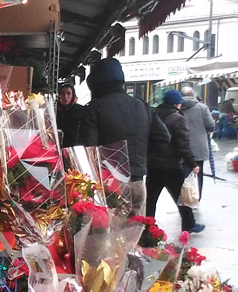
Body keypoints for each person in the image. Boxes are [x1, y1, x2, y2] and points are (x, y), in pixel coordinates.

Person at [79, 57, 170, 216]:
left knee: (111, 238)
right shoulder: (141, 105)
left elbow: (89, 149)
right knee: (137, 236)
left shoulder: (94, 109)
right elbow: (163, 137)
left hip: (110, 185)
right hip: (138, 183)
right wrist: (141, 155)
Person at [146, 90, 203, 233]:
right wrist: (193, 164)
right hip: (171, 165)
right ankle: (189, 224)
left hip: (152, 165)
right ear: (177, 104)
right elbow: (183, 144)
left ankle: (147, 227)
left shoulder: (153, 115)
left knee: (150, 200)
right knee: (182, 197)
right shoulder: (177, 118)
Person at [180, 87, 215, 198]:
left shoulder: (178, 108)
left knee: (183, 172)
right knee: (198, 172)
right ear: (193, 95)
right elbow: (211, 125)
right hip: (199, 146)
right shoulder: (203, 108)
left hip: (182, 145)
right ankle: (196, 197)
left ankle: (184, 197)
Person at [55, 83, 85, 147]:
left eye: (68, 93)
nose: (65, 96)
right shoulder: (55, 110)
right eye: (63, 93)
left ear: (73, 95)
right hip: (58, 145)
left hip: (75, 145)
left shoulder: (81, 110)